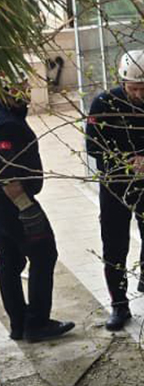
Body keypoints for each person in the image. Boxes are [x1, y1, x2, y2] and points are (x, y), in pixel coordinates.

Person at [86, 50, 144, 331]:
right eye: (133, 88)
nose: (139, 94)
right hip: (116, 184)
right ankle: (119, 304)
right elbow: (94, 146)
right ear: (123, 82)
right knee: (115, 244)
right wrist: (127, 160)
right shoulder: (104, 103)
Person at [0, 73, 74, 342]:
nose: (27, 92)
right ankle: (37, 323)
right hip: (14, 206)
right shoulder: (8, 125)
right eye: (22, 88)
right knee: (44, 254)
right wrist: (26, 208)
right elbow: (7, 175)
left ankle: (19, 324)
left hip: (5, 209)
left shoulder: (9, 118)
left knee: (10, 260)